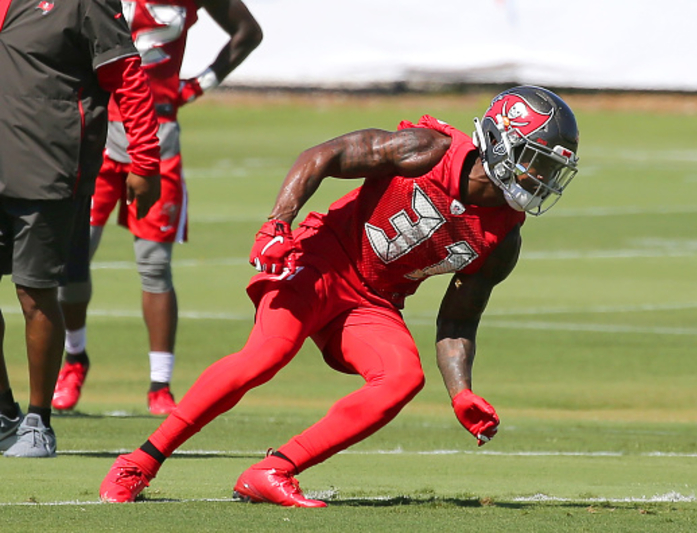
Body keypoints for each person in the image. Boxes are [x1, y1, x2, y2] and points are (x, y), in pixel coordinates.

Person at [99, 86, 580, 504]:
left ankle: (273, 471)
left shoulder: (503, 239)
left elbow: (457, 323)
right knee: (268, 353)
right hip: (320, 259)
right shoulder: (430, 149)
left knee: (402, 378)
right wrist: (276, 222)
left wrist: (461, 392)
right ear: (498, 140)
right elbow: (323, 155)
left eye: (549, 167)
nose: (539, 177)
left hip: (374, 300)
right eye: (534, 158)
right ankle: (140, 460)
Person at [52, 0, 263, 415]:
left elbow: (248, 32)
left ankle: (159, 384)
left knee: (153, 262)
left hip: (158, 129)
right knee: (72, 256)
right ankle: (74, 359)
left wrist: (198, 84)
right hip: (95, 126)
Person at [0, 0, 162, 458]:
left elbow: (128, 77)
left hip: (48, 165)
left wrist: (145, 159)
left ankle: (37, 422)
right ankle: (4, 412)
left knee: (34, 291)